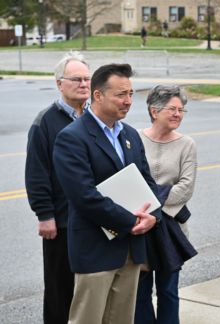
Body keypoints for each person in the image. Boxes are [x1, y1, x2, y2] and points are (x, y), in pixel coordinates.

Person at [53, 63, 161, 324]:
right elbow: (83, 196)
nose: (128, 101)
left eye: (131, 94)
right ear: (98, 95)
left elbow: (147, 182)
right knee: (87, 319)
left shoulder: (131, 135)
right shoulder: (72, 138)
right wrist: (131, 221)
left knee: (121, 319)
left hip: (131, 248)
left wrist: (153, 216)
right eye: (120, 94)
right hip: (95, 249)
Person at [25, 50, 90, 324]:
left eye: (88, 79)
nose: (84, 84)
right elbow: (37, 173)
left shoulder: (95, 119)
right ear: (59, 83)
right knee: (59, 288)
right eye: (76, 79)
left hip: (93, 220)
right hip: (60, 223)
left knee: (88, 290)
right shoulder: (45, 122)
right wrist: (45, 215)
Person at [135, 85, 197, 323]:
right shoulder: (135, 138)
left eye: (181, 110)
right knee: (140, 293)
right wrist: (150, 202)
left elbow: (186, 188)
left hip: (172, 229)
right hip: (140, 228)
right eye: (172, 109)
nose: (178, 114)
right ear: (154, 110)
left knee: (169, 292)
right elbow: (130, 179)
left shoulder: (187, 144)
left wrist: (148, 200)